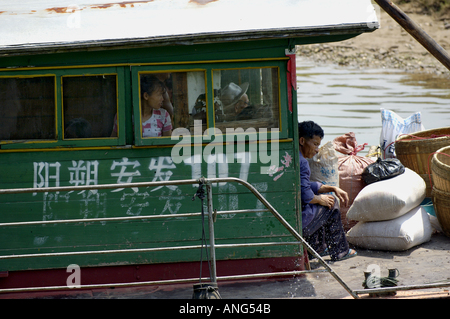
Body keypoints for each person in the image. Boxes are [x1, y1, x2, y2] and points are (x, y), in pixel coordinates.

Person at [298, 121, 357, 261]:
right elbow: (306, 195)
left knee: (323, 199)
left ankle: (317, 248)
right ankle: (340, 251)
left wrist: (331, 188)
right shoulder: (302, 162)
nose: (317, 149)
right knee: (331, 204)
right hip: (297, 225)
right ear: (302, 140)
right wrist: (321, 199)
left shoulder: (293, 157)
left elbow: (302, 185)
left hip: (292, 217)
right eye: (315, 144)